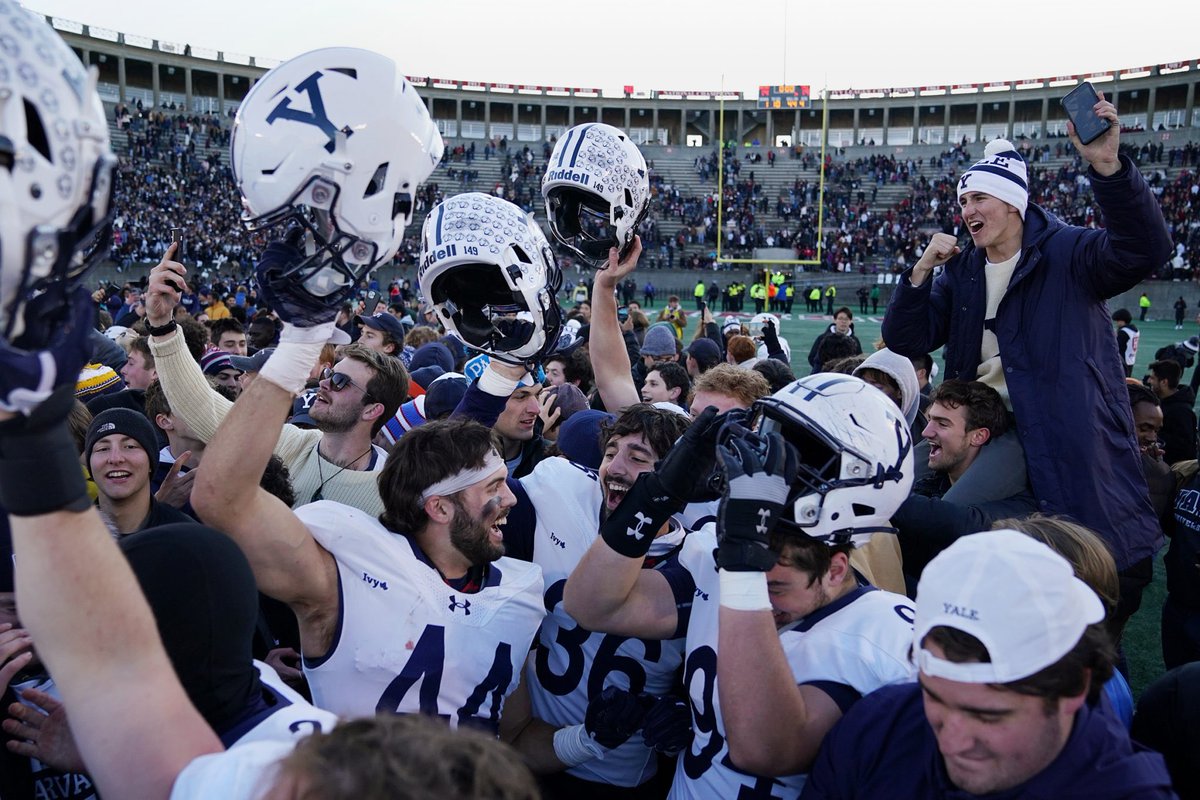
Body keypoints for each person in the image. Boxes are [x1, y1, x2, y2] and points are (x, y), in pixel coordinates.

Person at [882, 122, 1172, 641]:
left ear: (1013, 203)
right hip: (978, 422)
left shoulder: (1068, 251)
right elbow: (907, 337)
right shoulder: (965, 269)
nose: (968, 208)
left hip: (1049, 430)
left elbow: (1146, 250)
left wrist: (1108, 168)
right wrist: (922, 270)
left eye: (980, 197)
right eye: (963, 198)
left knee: (949, 523)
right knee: (912, 497)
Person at [563, 374, 918, 798]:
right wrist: (657, 493)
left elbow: (764, 750)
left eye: (776, 583)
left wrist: (743, 564)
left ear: (837, 568)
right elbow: (591, 606)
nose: (783, 464)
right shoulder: (718, 551)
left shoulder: (884, 635)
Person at [801, 530, 1175, 799]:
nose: (953, 740)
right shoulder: (882, 722)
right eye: (935, 697)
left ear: (1074, 687)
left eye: (989, 716)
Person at [85, 408, 194, 535]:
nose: (115, 458)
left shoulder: (188, 538)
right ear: (90, 464)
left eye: (130, 447)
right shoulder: (67, 540)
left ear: (151, 462)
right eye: (103, 449)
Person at [1147, 359, 1197, 465]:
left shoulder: (1181, 412)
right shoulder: (1164, 402)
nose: (1149, 381)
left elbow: (1184, 448)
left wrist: (1154, 438)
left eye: (1153, 378)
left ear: (1164, 382)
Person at [807, 308, 861, 374]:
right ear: (835, 320)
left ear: (851, 321)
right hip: (823, 374)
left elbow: (858, 360)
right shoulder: (822, 338)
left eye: (846, 319)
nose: (843, 321)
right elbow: (812, 357)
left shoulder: (855, 340)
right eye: (840, 318)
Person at [1111, 309, 1140, 379]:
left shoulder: (1124, 332)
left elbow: (1116, 346)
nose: (1117, 323)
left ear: (1122, 320)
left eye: (1118, 321)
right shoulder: (1135, 330)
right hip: (1131, 359)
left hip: (1123, 360)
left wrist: (1114, 336)